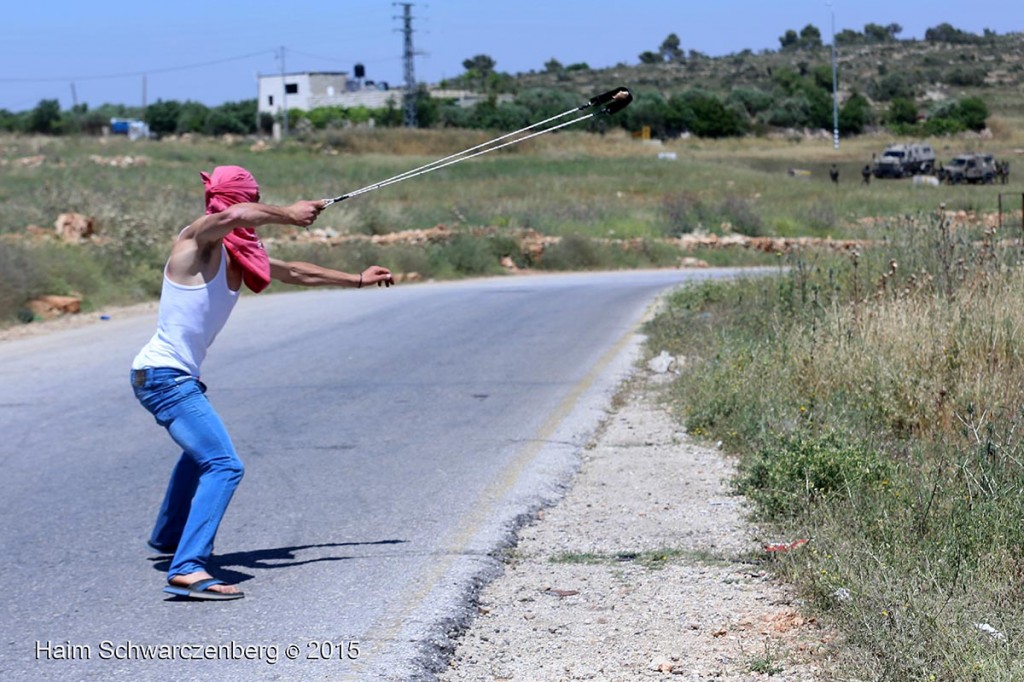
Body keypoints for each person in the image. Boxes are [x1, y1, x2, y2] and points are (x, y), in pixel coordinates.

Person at [131, 165, 394, 600]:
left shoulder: (236, 254)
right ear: (235, 200)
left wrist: (357, 279)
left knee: (202, 456)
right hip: (164, 376)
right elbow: (232, 218)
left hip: (172, 376)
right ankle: (188, 567)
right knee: (224, 465)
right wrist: (289, 213)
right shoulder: (195, 240)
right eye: (251, 197)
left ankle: (167, 537)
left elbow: (294, 272)